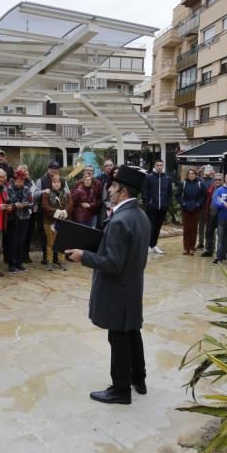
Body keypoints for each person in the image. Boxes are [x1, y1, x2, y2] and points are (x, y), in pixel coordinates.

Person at [64, 165, 150, 405]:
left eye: (112, 186)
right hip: (132, 287)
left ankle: (120, 389)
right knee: (132, 332)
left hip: (117, 289)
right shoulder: (140, 215)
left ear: (123, 191)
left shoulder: (121, 220)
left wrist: (83, 255)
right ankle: (138, 379)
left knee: (118, 338)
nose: (109, 190)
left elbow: (112, 262)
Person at [33, 161, 66, 264]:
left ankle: (57, 258)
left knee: (58, 236)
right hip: (45, 214)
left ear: (58, 170)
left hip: (60, 215)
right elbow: (34, 194)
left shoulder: (63, 181)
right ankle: (46, 257)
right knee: (46, 237)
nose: (53, 169)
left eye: (55, 168)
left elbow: (68, 194)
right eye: (51, 167)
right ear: (48, 169)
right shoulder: (41, 181)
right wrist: (43, 191)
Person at [40, 175, 72, 271]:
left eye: (58, 182)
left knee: (61, 242)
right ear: (51, 183)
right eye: (54, 182)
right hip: (50, 221)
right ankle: (49, 261)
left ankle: (61, 261)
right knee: (51, 242)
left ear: (61, 183)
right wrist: (58, 212)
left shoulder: (66, 193)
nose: (56, 184)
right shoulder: (47, 193)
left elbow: (71, 204)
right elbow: (45, 206)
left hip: (63, 221)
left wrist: (65, 211)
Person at [141, 159, 173, 254]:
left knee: (157, 227)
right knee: (150, 227)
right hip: (152, 207)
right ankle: (148, 245)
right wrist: (147, 203)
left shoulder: (167, 178)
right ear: (154, 166)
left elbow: (170, 193)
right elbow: (144, 191)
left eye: (161, 165)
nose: (159, 167)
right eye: (157, 165)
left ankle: (154, 245)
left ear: (163, 166)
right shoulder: (149, 177)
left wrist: (167, 204)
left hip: (162, 207)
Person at [5, 170, 34, 273]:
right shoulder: (9, 188)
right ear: (14, 180)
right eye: (18, 181)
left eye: (22, 181)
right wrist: (14, 205)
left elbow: (32, 203)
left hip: (24, 218)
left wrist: (26, 205)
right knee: (13, 241)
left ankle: (19, 262)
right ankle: (11, 263)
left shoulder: (27, 189)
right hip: (13, 218)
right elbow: (8, 202)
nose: (20, 183)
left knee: (21, 241)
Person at [177, 168, 205, 256]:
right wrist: (183, 203)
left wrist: (198, 204)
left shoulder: (200, 183)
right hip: (186, 209)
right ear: (187, 175)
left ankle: (192, 247)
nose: (191, 175)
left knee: (193, 229)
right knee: (186, 229)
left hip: (196, 210)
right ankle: (186, 248)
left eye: (193, 173)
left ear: (196, 175)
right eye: (189, 173)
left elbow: (204, 196)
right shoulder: (183, 183)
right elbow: (178, 195)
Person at [200, 171, 224, 257]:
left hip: (221, 214)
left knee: (221, 234)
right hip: (211, 213)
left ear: (223, 180)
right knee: (209, 232)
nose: (217, 181)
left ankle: (222, 252)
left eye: (219, 180)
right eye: (216, 179)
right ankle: (209, 249)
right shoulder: (211, 187)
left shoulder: (226, 189)